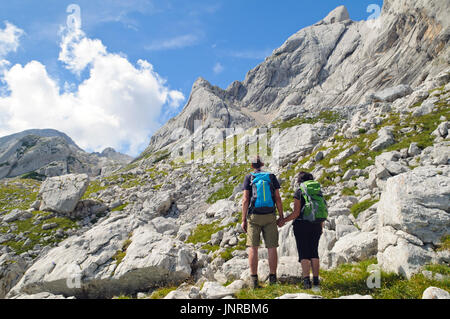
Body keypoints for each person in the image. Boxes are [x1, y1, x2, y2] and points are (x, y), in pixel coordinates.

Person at [241, 155, 284, 289]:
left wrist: (243, 219)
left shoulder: (249, 177)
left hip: (254, 216)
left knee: (253, 247)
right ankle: (273, 278)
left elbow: (245, 200)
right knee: (271, 247)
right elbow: (277, 197)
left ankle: (254, 281)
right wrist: (281, 216)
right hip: (270, 215)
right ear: (263, 164)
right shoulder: (271, 176)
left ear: (252, 166)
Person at [278, 172, 324, 290]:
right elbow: (320, 209)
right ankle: (316, 281)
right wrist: (321, 226)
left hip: (302, 225)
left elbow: (296, 213)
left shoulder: (299, 192)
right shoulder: (318, 191)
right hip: (317, 224)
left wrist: (283, 220)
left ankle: (306, 282)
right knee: (314, 251)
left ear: (299, 181)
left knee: (304, 253)